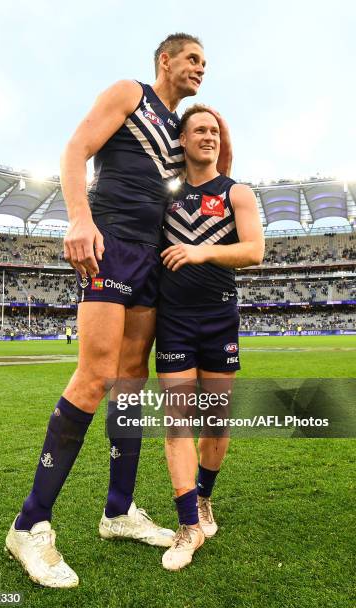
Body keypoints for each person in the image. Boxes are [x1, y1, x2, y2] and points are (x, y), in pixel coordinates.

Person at [5, 33, 232, 588]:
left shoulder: (180, 135)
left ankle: (118, 510)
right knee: (96, 375)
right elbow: (75, 149)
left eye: (205, 62)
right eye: (193, 60)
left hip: (152, 261)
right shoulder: (129, 94)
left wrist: (219, 129)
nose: (201, 68)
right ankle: (30, 524)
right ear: (166, 60)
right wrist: (79, 219)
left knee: (131, 380)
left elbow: (217, 173)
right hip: (112, 246)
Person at [155, 105, 264, 570]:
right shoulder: (166, 196)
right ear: (182, 140)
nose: (209, 136)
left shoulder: (236, 192)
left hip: (220, 318)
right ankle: (187, 527)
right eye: (199, 129)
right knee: (177, 424)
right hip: (173, 319)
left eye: (214, 130)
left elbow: (254, 250)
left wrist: (201, 253)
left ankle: (203, 497)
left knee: (216, 424)